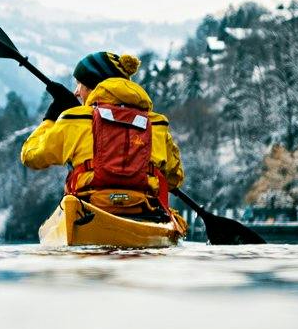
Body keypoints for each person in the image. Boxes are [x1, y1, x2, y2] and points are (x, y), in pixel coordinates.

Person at [20, 51, 183, 217]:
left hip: (88, 212)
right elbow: (173, 179)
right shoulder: (157, 124)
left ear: (93, 86)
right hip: (144, 211)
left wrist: (51, 118)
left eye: (79, 84)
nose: (76, 92)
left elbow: (30, 156)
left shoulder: (75, 119)